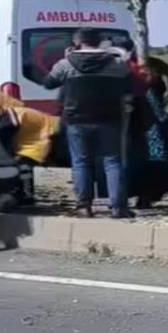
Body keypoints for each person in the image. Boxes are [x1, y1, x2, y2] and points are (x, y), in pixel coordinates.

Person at [43, 28, 133, 218]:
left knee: (81, 162)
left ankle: (84, 206)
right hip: (110, 119)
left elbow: (48, 83)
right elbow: (129, 87)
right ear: (100, 41)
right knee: (113, 162)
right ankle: (118, 207)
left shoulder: (66, 64)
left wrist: (66, 58)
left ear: (77, 42)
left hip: (76, 120)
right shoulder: (116, 63)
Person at [112, 37, 168, 208]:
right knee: (149, 157)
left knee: (132, 159)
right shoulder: (148, 65)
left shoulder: (125, 67)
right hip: (151, 121)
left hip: (136, 121)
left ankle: (129, 196)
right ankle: (145, 195)